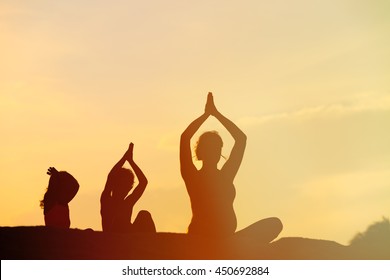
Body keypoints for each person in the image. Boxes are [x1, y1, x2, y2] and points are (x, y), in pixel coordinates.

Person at [180, 93, 282, 241]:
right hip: (201, 239)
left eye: (217, 147)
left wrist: (216, 114)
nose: (214, 151)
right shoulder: (192, 176)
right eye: (210, 147)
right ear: (200, 151)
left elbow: (241, 139)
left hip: (227, 239)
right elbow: (185, 138)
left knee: (274, 224)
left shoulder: (226, 175)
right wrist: (206, 115)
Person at [100, 142, 156, 234]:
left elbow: (143, 182)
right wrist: (124, 158)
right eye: (121, 185)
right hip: (112, 239)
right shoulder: (106, 199)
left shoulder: (128, 202)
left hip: (128, 239)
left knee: (144, 215)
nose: (124, 189)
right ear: (115, 184)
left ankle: (152, 246)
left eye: (127, 186)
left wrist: (131, 161)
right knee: (118, 222)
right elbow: (110, 177)